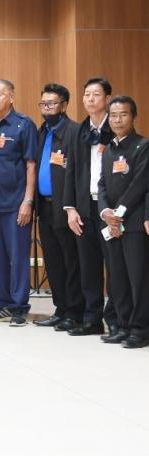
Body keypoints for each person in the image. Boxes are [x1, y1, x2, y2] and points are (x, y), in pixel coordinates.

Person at [0, 80, 38, 326]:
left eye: (0, 94)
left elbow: (31, 164)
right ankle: (2, 304)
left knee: (18, 257)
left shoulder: (24, 124)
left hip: (15, 203)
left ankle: (19, 307)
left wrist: (28, 201)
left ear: (11, 97)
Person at [63, 78, 119, 336]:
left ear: (107, 98)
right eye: (86, 94)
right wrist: (70, 208)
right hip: (84, 207)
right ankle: (92, 319)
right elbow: (70, 170)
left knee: (114, 265)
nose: (90, 99)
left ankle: (116, 318)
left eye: (96, 94)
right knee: (88, 266)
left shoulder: (116, 126)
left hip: (109, 207)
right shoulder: (78, 130)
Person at [97, 96, 149, 349]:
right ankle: (124, 325)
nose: (118, 120)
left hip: (135, 224)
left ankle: (141, 329)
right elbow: (102, 185)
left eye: (123, 114)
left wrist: (119, 213)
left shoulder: (143, 146)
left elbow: (140, 184)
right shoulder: (108, 149)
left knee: (138, 278)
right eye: (114, 115)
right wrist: (105, 211)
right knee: (117, 278)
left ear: (133, 117)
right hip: (112, 224)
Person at [33, 84, 82, 330]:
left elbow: (78, 173)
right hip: (45, 206)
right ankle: (60, 309)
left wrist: (72, 206)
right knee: (52, 261)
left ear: (63, 105)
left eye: (51, 103)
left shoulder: (75, 131)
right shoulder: (42, 131)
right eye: (43, 104)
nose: (47, 108)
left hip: (66, 207)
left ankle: (75, 312)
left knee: (71, 261)